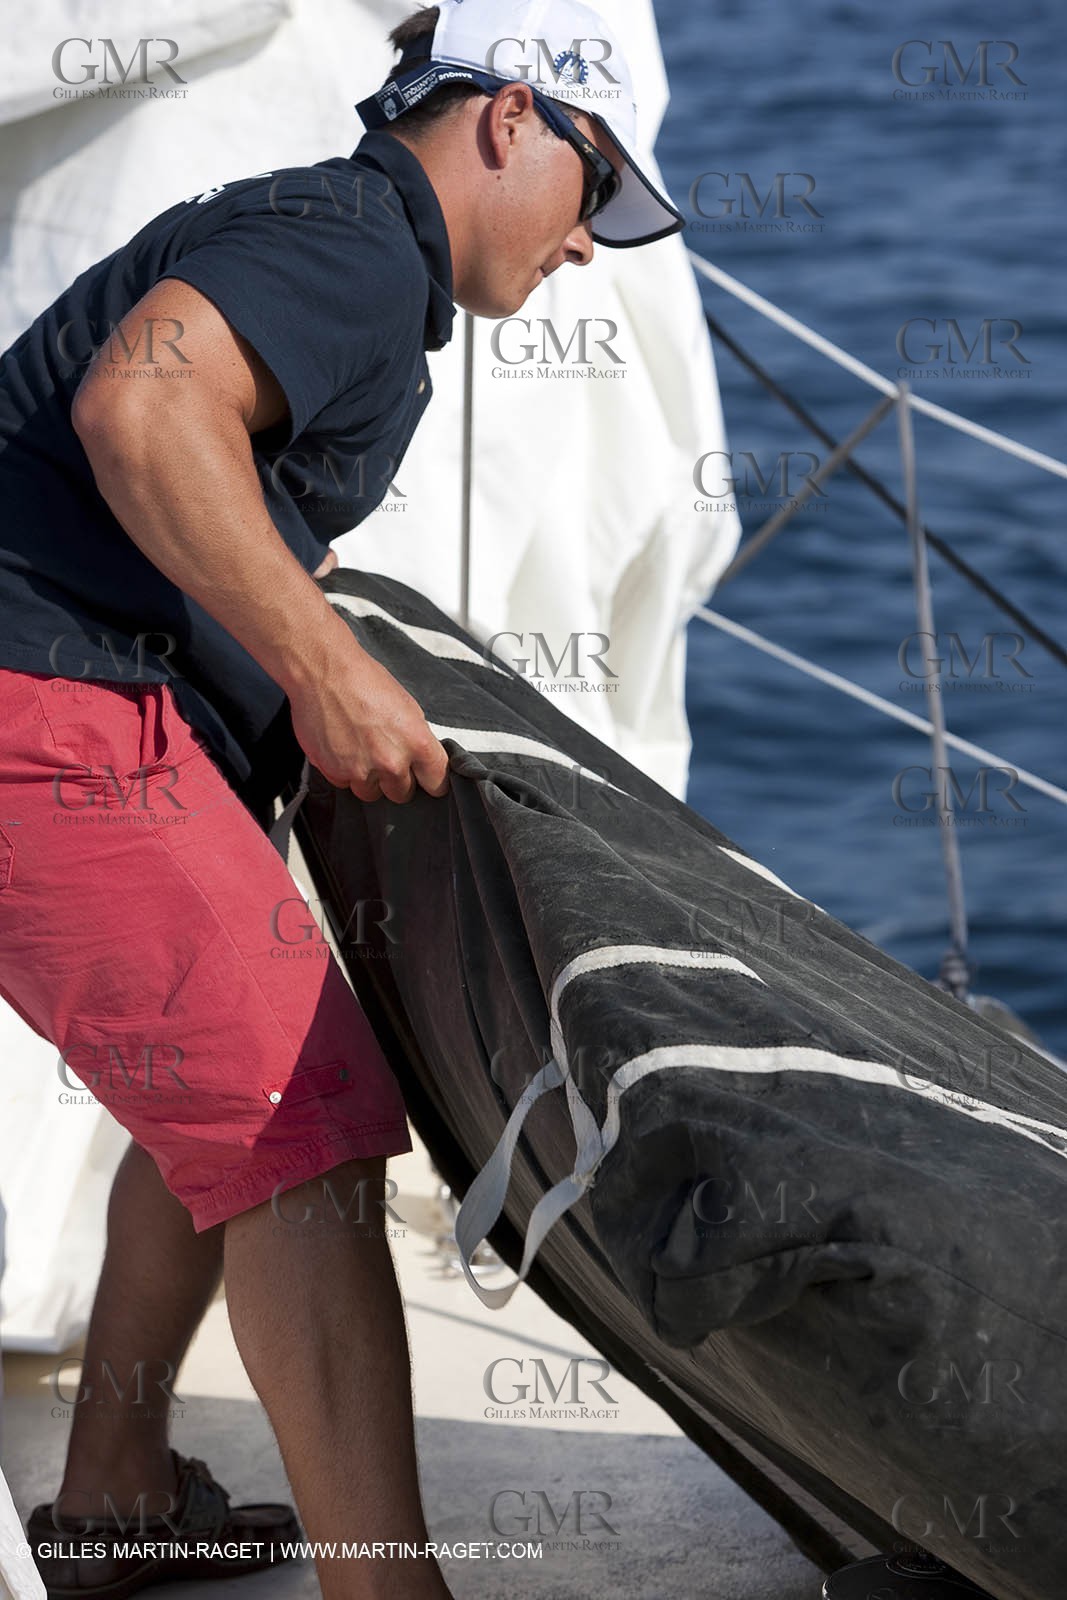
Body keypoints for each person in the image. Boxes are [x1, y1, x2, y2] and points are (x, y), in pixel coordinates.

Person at [0, 1, 682, 1595]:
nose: (595, 248)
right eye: (599, 191)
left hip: (85, 706)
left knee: (220, 1106)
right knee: (303, 1139)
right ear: (509, 118)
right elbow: (140, 409)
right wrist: (323, 668)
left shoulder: (338, 240)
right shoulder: (349, 245)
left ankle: (114, 1492)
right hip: (45, 706)